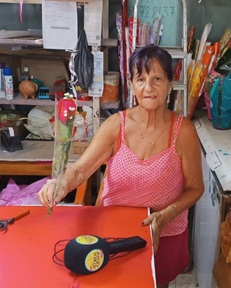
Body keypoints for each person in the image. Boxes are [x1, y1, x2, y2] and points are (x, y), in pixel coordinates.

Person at [37, 44, 204, 287]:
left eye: (157, 78)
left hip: (164, 230)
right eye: (141, 79)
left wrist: (164, 216)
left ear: (170, 83)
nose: (149, 87)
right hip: (114, 230)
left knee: (155, 283)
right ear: (132, 84)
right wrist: (60, 183)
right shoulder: (117, 126)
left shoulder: (184, 131)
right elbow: (81, 169)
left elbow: (195, 188)